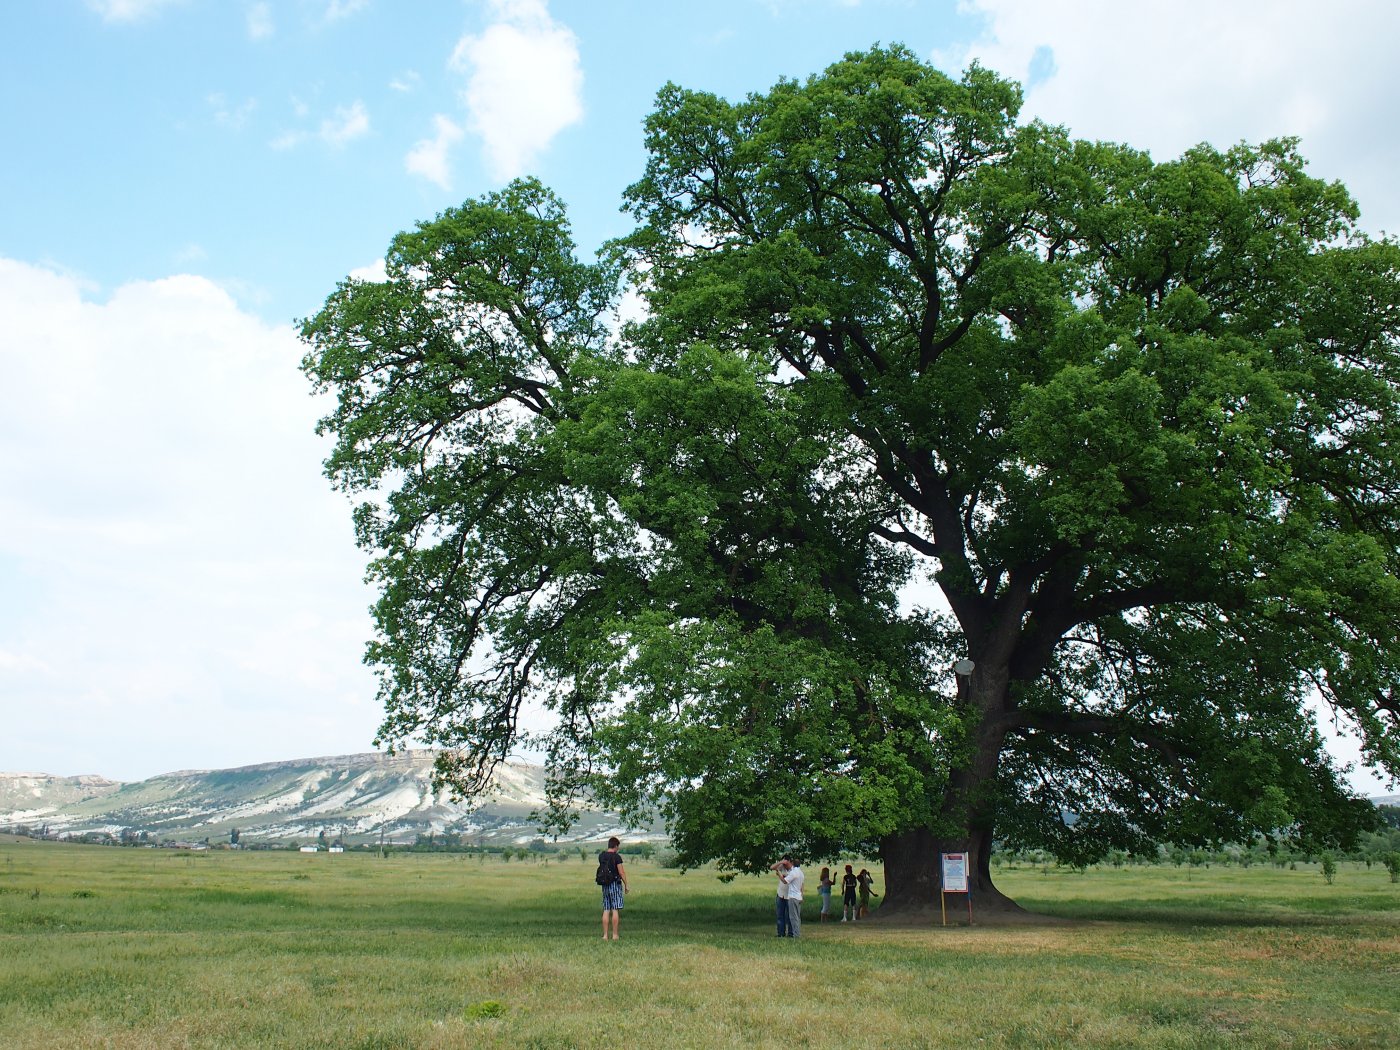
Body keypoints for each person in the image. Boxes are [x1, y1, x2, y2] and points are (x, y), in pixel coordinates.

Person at [597, 836, 629, 940]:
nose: (618, 849)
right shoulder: (617, 857)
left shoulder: (601, 856)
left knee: (606, 909)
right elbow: (621, 872)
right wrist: (626, 884)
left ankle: (605, 935)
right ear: (615, 846)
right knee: (615, 909)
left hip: (605, 884)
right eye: (617, 847)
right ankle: (615, 935)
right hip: (615, 884)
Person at [784, 856, 805, 938]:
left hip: (793, 897)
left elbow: (785, 881)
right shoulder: (801, 873)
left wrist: (779, 875)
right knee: (798, 916)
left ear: (792, 863)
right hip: (799, 896)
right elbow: (802, 885)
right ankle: (797, 932)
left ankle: (796, 934)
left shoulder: (793, 873)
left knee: (793, 917)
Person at [769, 857, 791, 936]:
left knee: (789, 916)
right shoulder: (781, 867)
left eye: (786, 863)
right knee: (780, 915)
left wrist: (779, 875)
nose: (784, 865)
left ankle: (790, 933)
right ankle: (781, 933)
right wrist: (780, 862)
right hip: (780, 894)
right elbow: (772, 867)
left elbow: (785, 881)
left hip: (789, 895)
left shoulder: (793, 870)